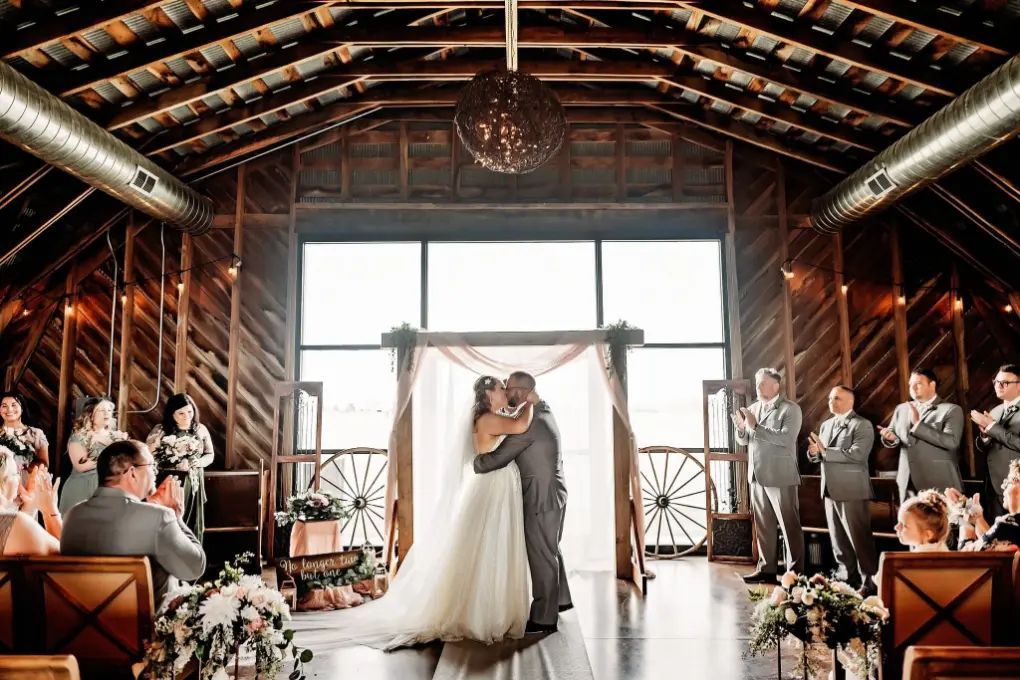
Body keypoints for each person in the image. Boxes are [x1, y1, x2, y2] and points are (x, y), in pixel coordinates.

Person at [289, 374, 538, 650]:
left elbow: (511, 421)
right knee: (488, 549)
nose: (505, 393)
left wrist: (519, 406)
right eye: (501, 389)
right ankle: (483, 613)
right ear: (490, 394)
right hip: (492, 489)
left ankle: (491, 607)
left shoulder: (487, 415)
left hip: (494, 487)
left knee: (489, 548)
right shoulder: (488, 419)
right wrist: (532, 400)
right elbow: (519, 425)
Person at [474, 370, 573, 633]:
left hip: (542, 495)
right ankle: (561, 600)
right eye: (503, 387)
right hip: (556, 491)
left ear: (520, 391)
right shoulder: (544, 409)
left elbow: (497, 459)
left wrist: (475, 462)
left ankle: (543, 617)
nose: (506, 391)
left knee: (541, 554)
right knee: (550, 548)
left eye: (508, 388)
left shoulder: (530, 424)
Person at [60, 440, 206, 603]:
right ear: (132, 473)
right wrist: (176, 515)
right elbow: (194, 568)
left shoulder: (72, 516)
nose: (155, 473)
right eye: (152, 466)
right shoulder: (160, 518)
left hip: (84, 621)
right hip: (141, 624)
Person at [733, 367, 804, 583]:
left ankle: (795, 575)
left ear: (776, 386)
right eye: (757, 383)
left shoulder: (790, 410)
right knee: (763, 526)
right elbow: (746, 441)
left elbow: (786, 438)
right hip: (756, 476)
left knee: (789, 526)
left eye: (763, 383)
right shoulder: (753, 407)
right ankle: (766, 569)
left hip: (781, 476)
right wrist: (741, 430)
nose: (758, 387)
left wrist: (754, 426)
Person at [807, 385, 878, 595]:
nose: (831, 402)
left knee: (860, 539)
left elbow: (858, 454)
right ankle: (848, 579)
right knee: (838, 540)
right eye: (830, 398)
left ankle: (870, 582)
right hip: (830, 490)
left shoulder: (862, 425)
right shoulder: (826, 425)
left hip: (853, 491)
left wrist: (826, 451)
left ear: (850, 402)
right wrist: (814, 453)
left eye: (836, 398)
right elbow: (820, 455)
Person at [878, 368, 964, 504]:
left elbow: (951, 442)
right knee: (909, 524)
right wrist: (890, 438)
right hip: (907, 482)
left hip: (939, 483)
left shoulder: (951, 410)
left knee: (942, 525)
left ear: (932, 385)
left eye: (918, 383)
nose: (912, 388)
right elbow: (893, 433)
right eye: (910, 384)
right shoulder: (902, 409)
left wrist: (918, 425)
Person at [146, 394, 215, 542]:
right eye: (181, 413)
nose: (186, 417)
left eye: (190, 412)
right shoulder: (161, 430)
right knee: (170, 519)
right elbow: (149, 455)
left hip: (193, 480)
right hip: (169, 481)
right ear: (172, 414)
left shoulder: (200, 429)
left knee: (191, 521)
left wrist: (199, 462)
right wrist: (173, 460)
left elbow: (210, 454)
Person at [59, 397, 127, 513]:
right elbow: (81, 465)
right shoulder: (79, 437)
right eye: (102, 410)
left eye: (109, 410)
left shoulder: (115, 437)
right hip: (83, 485)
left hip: (108, 486)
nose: (107, 413)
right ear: (90, 414)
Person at [970, 364, 1020, 520]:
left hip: (1017, 487)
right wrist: (985, 436)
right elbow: (986, 447)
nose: (998, 386)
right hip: (993, 486)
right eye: (996, 381)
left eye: (1004, 382)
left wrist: (991, 426)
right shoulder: (995, 411)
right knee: (997, 538)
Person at [0, 464, 61, 556]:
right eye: (14, 474)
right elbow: (64, 553)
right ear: (2, 483)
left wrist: (30, 506)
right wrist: (50, 508)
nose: (19, 478)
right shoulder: (17, 523)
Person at [0, 391, 49, 479]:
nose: (9, 409)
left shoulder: (36, 434)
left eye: (14, 405)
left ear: (22, 408)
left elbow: (44, 464)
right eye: (4, 406)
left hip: (27, 481)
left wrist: (26, 465)